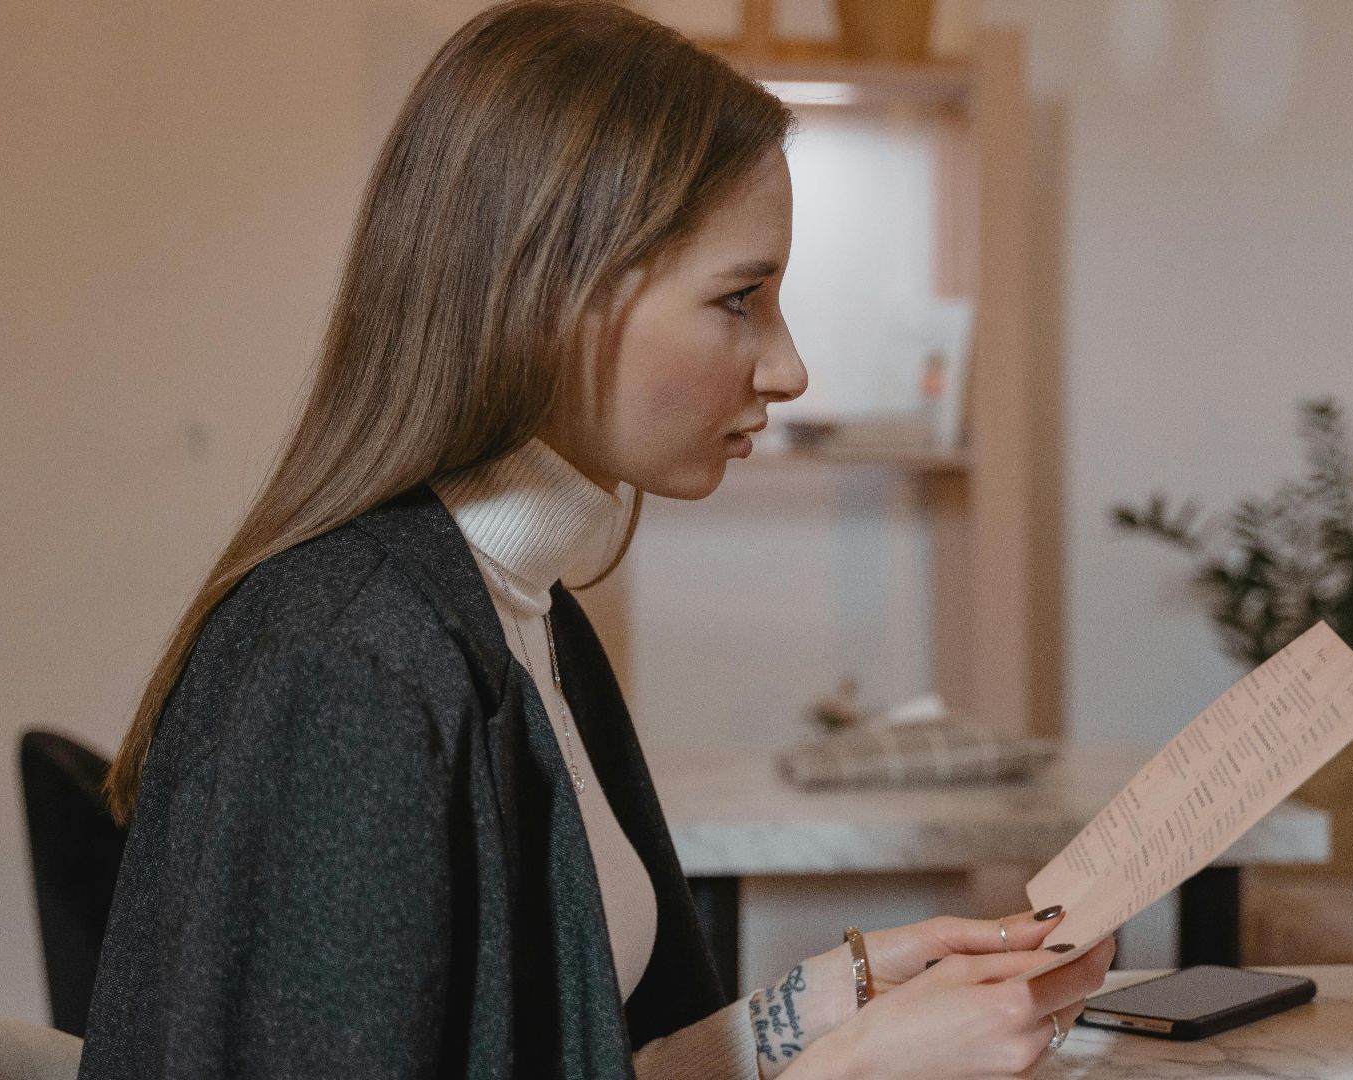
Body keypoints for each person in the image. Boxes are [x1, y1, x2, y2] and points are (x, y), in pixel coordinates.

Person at [77, 2, 1113, 1077]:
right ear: (554, 295)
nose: (789, 368)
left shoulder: (521, 615)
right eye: (741, 299)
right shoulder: (352, 665)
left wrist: (825, 1006)